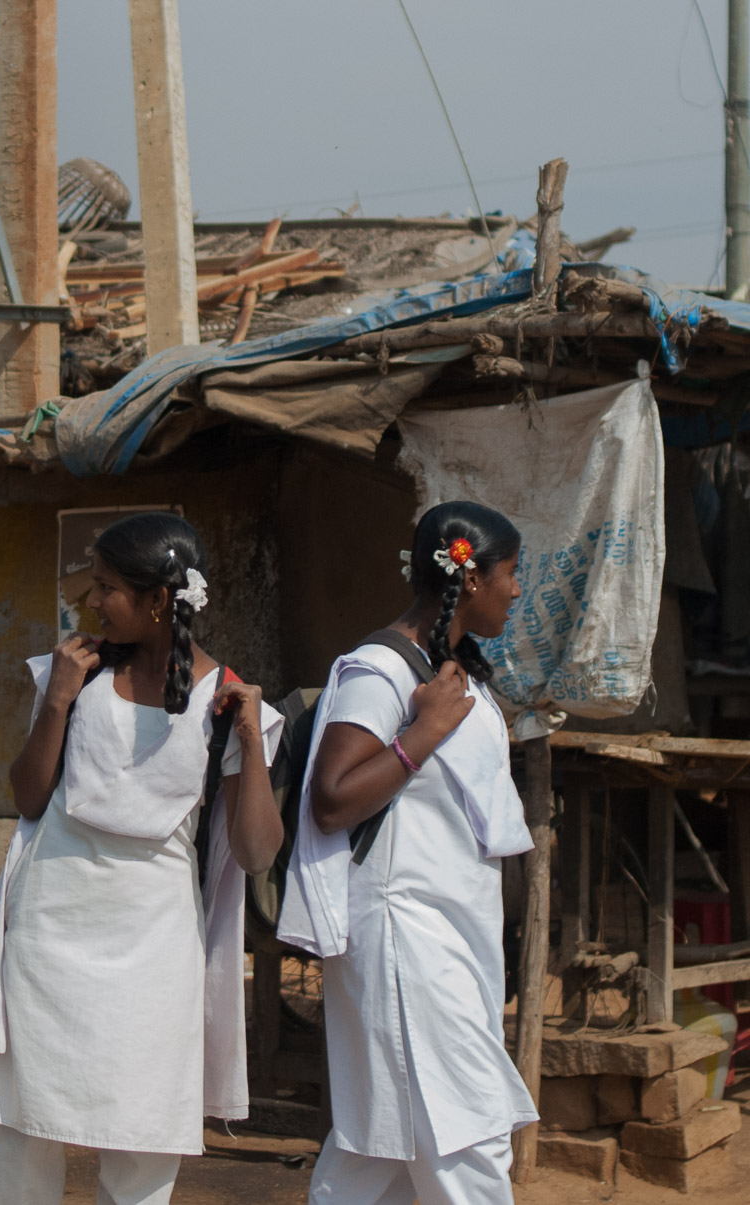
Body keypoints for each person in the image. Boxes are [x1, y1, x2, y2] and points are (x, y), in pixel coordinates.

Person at [0, 512, 285, 1205]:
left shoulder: (226, 701)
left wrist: (251, 739)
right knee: (20, 1129)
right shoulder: (78, 674)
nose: (90, 601)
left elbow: (256, 851)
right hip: (47, 933)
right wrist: (57, 700)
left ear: (158, 600)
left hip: (155, 949)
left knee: (143, 1134)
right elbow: (29, 796)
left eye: (105, 587)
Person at [281, 501, 538, 1205]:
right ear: (471, 576)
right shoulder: (380, 670)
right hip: (405, 937)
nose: (517, 589)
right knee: (467, 1136)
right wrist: (422, 733)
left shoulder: (453, 671)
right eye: (511, 572)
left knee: (380, 1152)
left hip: (447, 932)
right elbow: (332, 798)